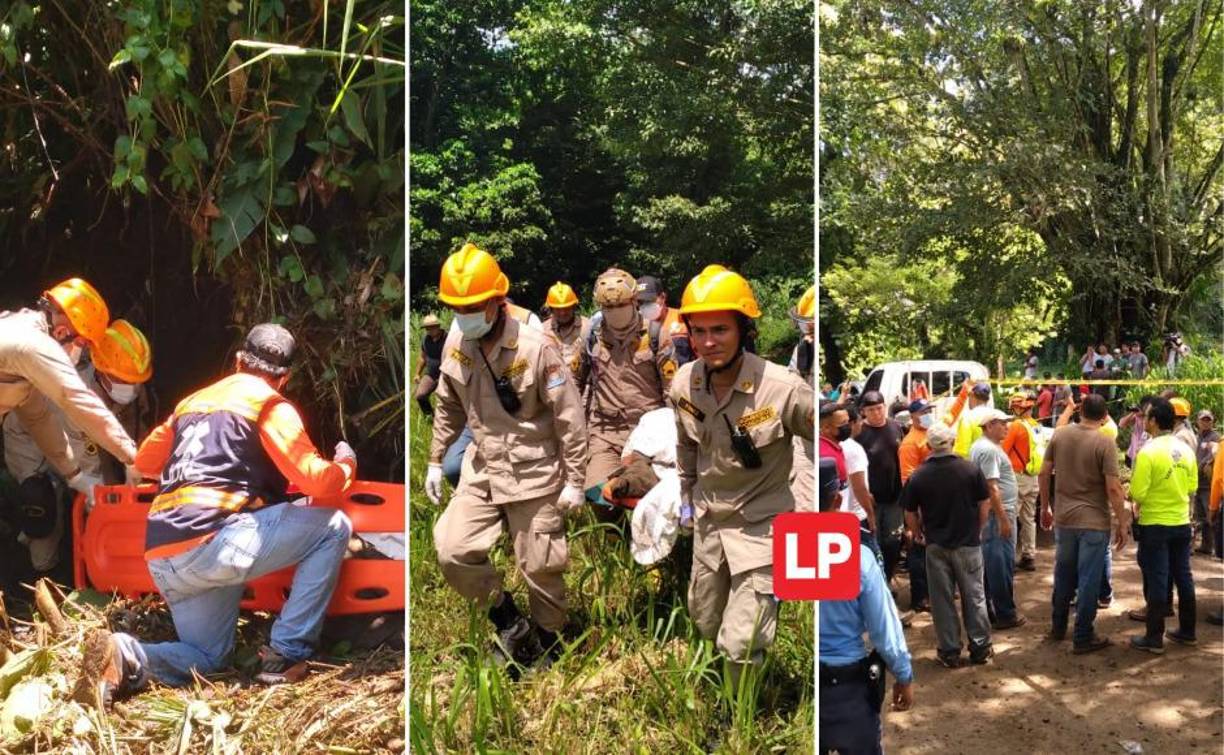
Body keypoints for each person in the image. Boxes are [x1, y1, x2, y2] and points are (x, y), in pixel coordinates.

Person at [75, 323, 357, 706]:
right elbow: (316, 482)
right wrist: (345, 466)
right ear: (284, 378)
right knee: (332, 528)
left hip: (164, 555)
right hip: (215, 545)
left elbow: (144, 462)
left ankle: (125, 655)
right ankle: (287, 652)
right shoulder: (270, 405)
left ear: (239, 362)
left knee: (208, 658)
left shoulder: (190, 404)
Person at [424, 244, 587, 672]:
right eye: (456, 307)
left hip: (535, 469)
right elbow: (447, 404)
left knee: (541, 566)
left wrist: (574, 480)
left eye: (474, 306)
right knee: (451, 549)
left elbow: (569, 415)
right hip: (484, 466)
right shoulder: (457, 342)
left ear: (499, 300)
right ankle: (509, 621)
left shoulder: (535, 347)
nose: (465, 314)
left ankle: (549, 640)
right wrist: (435, 460)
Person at [669, 264, 814, 687]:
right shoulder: (684, 385)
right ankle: (743, 685)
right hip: (711, 524)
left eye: (720, 330)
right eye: (698, 332)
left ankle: (737, 722)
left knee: (740, 642)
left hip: (764, 530)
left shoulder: (782, 389)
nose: (708, 342)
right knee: (706, 621)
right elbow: (686, 445)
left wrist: (816, 508)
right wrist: (685, 496)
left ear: (743, 329)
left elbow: (823, 440)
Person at [4, 320, 153, 574]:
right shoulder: (78, 394)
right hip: (30, 439)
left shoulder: (132, 388)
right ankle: (43, 575)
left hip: (76, 440)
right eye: (122, 380)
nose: (132, 388)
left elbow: (134, 436)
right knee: (42, 503)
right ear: (101, 370)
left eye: (136, 381)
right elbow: (89, 473)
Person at [0, 279, 138, 505]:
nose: (80, 352)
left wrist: (76, 477)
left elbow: (38, 418)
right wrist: (132, 457)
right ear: (63, 331)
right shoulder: (32, 345)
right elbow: (75, 399)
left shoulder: (22, 341)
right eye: (82, 344)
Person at [819, 459, 914, 754]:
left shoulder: (783, 555)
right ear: (837, 499)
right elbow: (883, 626)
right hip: (847, 690)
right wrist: (903, 674)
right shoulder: (856, 557)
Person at [1039, 394, 1130, 653]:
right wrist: (1122, 523)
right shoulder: (1105, 441)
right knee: (1089, 578)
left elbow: (1044, 472)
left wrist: (1046, 505)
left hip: (1064, 519)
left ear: (1079, 411)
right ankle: (1083, 636)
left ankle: (1058, 627)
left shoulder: (1060, 434)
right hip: (1093, 522)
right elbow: (1113, 488)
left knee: (1063, 573)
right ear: (1104, 418)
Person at [902, 423, 993, 667]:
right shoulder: (970, 470)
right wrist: (979, 528)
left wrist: (918, 532)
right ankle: (980, 647)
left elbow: (909, 512)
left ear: (929, 446)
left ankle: (950, 650)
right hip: (968, 543)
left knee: (941, 600)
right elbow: (985, 503)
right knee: (974, 596)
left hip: (936, 545)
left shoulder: (918, 475)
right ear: (952, 442)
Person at [584, 269, 676, 502]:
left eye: (621, 305)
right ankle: (611, 537)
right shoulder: (592, 336)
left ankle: (641, 536)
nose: (615, 312)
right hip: (606, 430)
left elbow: (671, 391)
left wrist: (672, 436)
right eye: (609, 308)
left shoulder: (656, 335)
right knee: (598, 494)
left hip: (647, 431)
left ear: (634, 301)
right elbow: (575, 383)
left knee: (647, 495)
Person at [1128, 397, 1198, 653]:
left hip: (1155, 524)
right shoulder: (1187, 450)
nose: (1144, 420)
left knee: (1158, 579)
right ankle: (1188, 631)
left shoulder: (1148, 452)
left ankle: (1154, 637)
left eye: (1146, 417)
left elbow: (1138, 493)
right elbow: (1191, 487)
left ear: (1154, 421)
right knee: (1184, 576)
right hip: (1181, 523)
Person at [972, 409, 1026, 629]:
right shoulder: (988, 450)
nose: (1007, 427)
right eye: (1002, 423)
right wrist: (1003, 518)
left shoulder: (986, 447)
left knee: (994, 563)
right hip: (997, 514)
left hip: (998, 513)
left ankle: (994, 610)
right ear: (989, 425)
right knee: (1000, 564)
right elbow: (991, 487)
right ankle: (1004, 613)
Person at [857, 391, 906, 586]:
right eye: (871, 410)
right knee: (872, 543)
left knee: (893, 542)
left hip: (895, 497)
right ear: (863, 412)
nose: (877, 413)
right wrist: (864, 493)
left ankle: (887, 579)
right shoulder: (859, 433)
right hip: (871, 500)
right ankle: (876, 585)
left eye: (879, 408)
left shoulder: (895, 427)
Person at [1001, 392, 1042, 572]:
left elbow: (1002, 450)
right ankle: (1029, 555)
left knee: (1011, 517)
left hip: (1017, 476)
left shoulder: (1016, 426)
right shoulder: (1037, 426)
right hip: (1033, 476)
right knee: (1029, 518)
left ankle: (1008, 557)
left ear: (1018, 408)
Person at [787, 285, 815, 510]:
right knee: (805, 506)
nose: (806, 334)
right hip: (805, 439)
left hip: (825, 438)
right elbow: (790, 388)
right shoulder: (803, 351)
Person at [842, 404, 881, 561]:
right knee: (872, 562)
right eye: (860, 420)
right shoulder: (853, 449)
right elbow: (859, 487)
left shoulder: (831, 443)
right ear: (851, 424)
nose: (862, 424)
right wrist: (871, 516)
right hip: (857, 518)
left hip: (841, 516)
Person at [540, 282, 591, 394]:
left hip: (584, 395)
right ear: (551, 309)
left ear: (574, 306)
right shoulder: (541, 331)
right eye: (558, 309)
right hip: (553, 395)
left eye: (567, 308)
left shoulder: (588, 328)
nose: (563, 313)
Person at [636, 275, 693, 368]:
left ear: (663, 297)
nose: (646, 306)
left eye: (650, 301)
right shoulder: (637, 327)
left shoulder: (682, 318)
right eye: (641, 302)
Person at [1193, 410, 1219, 556]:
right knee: (1200, 516)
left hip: (1208, 484)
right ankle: (1206, 545)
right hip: (1196, 483)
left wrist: (1198, 467)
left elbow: (1211, 457)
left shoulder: (1214, 438)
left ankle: (1217, 545)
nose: (1206, 422)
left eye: (1208, 420)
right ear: (1197, 421)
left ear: (1212, 422)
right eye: (1203, 419)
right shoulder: (1196, 438)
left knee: (1211, 514)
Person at [412, 314, 446, 417]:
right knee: (420, 395)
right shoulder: (425, 340)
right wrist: (417, 373)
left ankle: (444, 420)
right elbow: (422, 357)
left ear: (438, 326)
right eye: (427, 328)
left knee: (444, 399)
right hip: (430, 374)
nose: (430, 330)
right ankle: (430, 416)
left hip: (445, 375)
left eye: (432, 327)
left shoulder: (448, 338)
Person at [1120, 396, 1155, 468]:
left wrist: (1145, 416)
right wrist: (1133, 413)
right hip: (1134, 453)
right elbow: (1121, 424)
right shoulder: (1137, 417)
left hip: (1147, 454)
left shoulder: (1153, 418)